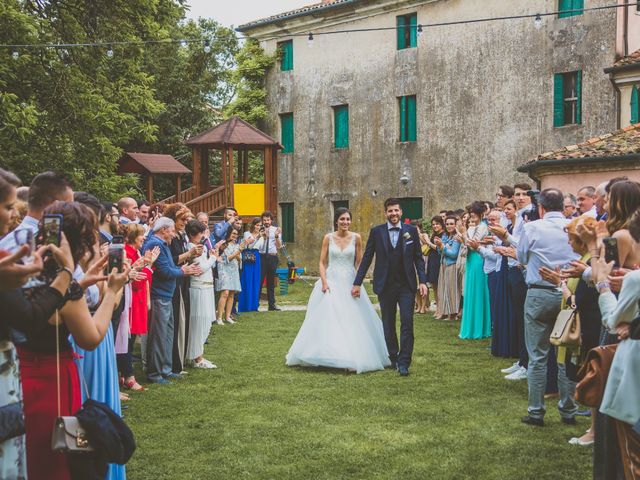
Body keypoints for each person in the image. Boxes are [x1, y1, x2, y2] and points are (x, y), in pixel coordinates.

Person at [17, 201, 129, 480]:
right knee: (59, 456)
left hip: (19, 374)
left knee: (28, 453)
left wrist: (83, 283)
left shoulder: (25, 268)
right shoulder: (63, 285)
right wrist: (113, 293)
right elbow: (90, 336)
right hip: (52, 378)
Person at [287, 208, 390, 373]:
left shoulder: (357, 238)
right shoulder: (328, 238)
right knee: (328, 317)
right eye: (342, 219)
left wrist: (358, 282)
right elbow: (322, 262)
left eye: (348, 219)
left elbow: (359, 263)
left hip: (350, 281)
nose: (345, 222)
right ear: (336, 221)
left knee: (352, 317)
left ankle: (351, 356)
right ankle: (323, 354)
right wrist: (324, 281)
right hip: (332, 280)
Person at [516, 188, 580, 427]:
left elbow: (521, 258)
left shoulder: (532, 227)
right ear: (563, 206)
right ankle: (568, 409)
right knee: (565, 354)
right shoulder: (573, 226)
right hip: (567, 292)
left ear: (541, 207)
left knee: (538, 356)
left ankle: (536, 411)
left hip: (539, 294)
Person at [352, 198, 428, 377]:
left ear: (401, 212)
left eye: (396, 211)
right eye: (390, 211)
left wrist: (423, 281)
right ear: (385, 213)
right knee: (388, 323)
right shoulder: (377, 232)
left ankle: (404, 362)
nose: (393, 214)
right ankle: (393, 356)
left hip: (406, 285)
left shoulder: (410, 231)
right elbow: (367, 257)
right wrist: (357, 282)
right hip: (385, 284)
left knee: (407, 322)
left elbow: (418, 257)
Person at [591, 209, 640, 478]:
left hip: (634, 368)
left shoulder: (635, 279)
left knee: (630, 451)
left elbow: (612, 321)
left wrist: (603, 286)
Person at [142, 217, 201, 384]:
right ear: (164, 231)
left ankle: (166, 369)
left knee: (167, 334)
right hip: (159, 295)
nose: (174, 234)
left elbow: (171, 266)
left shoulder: (163, 245)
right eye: (172, 230)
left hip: (167, 294)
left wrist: (182, 269)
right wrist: (184, 271)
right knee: (159, 336)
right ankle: (155, 374)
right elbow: (165, 271)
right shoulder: (156, 244)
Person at [163, 203, 200, 375]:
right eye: (182, 219)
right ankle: (174, 364)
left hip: (183, 280)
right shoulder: (172, 239)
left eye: (186, 219)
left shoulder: (180, 236)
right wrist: (190, 254)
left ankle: (179, 362)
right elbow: (173, 260)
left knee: (182, 321)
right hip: (175, 283)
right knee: (177, 322)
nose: (185, 222)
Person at [120, 223, 156, 391]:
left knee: (131, 338)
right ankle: (128, 375)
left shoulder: (135, 252)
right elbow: (134, 280)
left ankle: (124, 373)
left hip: (139, 298)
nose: (144, 238)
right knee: (127, 339)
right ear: (134, 236)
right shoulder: (127, 252)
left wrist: (147, 264)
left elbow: (144, 277)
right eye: (141, 235)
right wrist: (145, 265)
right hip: (132, 299)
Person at [0, 171, 73, 253]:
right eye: (69, 206)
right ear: (55, 206)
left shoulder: (13, 237)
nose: (73, 211)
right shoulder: (33, 242)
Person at [185, 219, 218, 368]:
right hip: (198, 287)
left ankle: (199, 354)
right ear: (193, 234)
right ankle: (197, 357)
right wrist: (213, 258)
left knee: (206, 321)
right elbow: (202, 267)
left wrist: (211, 256)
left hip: (206, 286)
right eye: (201, 233)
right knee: (199, 323)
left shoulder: (200, 246)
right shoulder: (191, 247)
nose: (203, 235)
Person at [459, 201, 491, 339]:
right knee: (470, 291)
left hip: (478, 260)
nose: (472, 215)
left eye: (474, 212)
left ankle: (479, 328)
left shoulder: (483, 227)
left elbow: (473, 245)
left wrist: (463, 234)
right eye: (470, 212)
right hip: (471, 261)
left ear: (481, 213)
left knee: (477, 292)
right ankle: (471, 327)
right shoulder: (475, 227)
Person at [604, 180, 640, 268]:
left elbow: (606, 276)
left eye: (608, 199)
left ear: (617, 204)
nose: (604, 200)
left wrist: (592, 244)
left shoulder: (620, 236)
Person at [434, 215, 461, 321]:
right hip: (443, 264)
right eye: (447, 224)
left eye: (451, 224)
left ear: (455, 225)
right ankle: (445, 311)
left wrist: (442, 246)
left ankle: (453, 313)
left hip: (452, 265)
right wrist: (439, 245)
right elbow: (440, 252)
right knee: (443, 288)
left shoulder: (456, 238)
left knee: (452, 289)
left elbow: (454, 254)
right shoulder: (445, 236)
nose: (449, 226)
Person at [216, 227, 243, 324]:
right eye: (232, 233)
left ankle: (227, 317)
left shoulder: (237, 245)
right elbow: (227, 259)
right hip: (224, 269)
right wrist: (237, 252)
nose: (234, 235)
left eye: (236, 234)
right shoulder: (223, 244)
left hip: (234, 270)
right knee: (225, 293)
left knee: (232, 293)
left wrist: (239, 256)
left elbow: (240, 260)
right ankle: (219, 317)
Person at [259, 211, 282, 311]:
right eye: (264, 220)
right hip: (262, 256)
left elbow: (279, 246)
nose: (266, 222)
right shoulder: (259, 229)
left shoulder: (276, 230)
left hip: (272, 257)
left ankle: (271, 305)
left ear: (271, 220)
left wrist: (276, 236)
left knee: (271, 282)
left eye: (268, 220)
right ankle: (256, 304)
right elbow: (259, 246)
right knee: (259, 281)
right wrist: (263, 237)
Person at [238, 217, 261, 312]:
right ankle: (245, 306)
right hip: (247, 255)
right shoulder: (247, 233)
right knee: (246, 279)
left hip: (257, 256)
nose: (258, 227)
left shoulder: (262, 236)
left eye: (260, 225)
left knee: (255, 280)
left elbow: (261, 248)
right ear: (253, 225)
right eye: (257, 225)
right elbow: (249, 245)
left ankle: (254, 306)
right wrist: (257, 237)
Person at [424, 216, 444, 315]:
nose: (435, 226)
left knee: (439, 286)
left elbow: (438, 248)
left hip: (439, 261)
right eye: (433, 224)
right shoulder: (434, 234)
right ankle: (438, 308)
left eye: (437, 224)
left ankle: (441, 309)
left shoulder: (443, 234)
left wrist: (428, 242)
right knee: (434, 286)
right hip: (432, 261)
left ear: (441, 224)